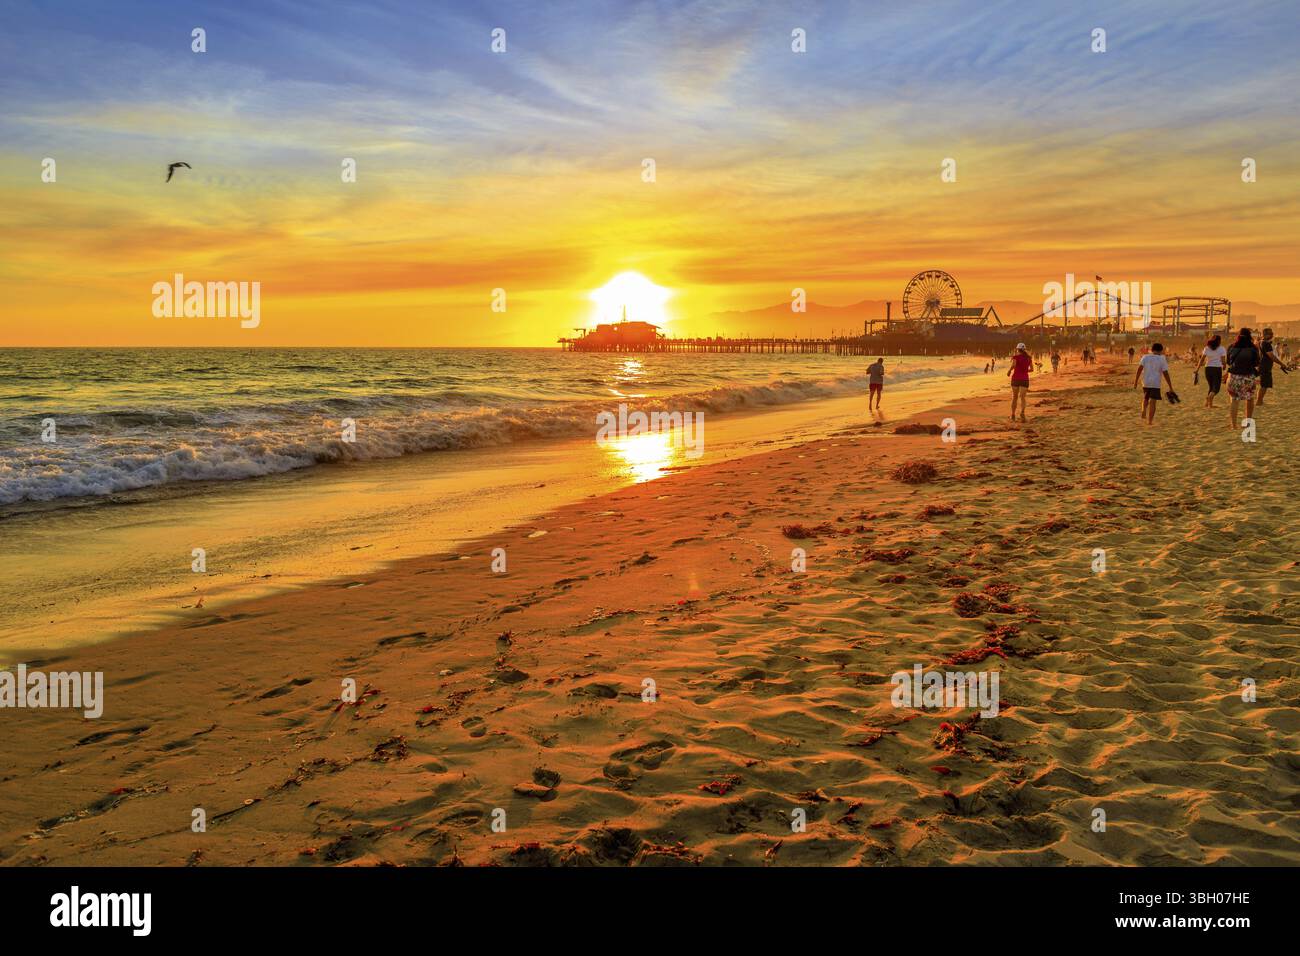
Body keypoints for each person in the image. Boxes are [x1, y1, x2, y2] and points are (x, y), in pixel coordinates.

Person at [1225, 328, 1260, 430]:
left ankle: (1234, 425)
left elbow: (1228, 362)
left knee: (1234, 401)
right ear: (1249, 336)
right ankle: (1248, 423)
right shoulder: (1253, 348)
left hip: (1234, 377)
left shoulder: (1231, 347)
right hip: (1248, 376)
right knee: (1249, 399)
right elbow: (1256, 363)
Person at [1134, 342, 1173, 424]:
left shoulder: (1145, 357)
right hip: (1155, 383)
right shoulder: (1162, 359)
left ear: (1152, 350)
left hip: (1146, 382)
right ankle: (1150, 421)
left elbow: (1139, 369)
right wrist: (1170, 386)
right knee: (1153, 401)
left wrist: (1135, 381)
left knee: (1146, 398)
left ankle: (1144, 410)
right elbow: (1165, 373)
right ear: (1161, 350)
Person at [1256, 328, 1291, 406]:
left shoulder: (1261, 342)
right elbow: (1271, 356)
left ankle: (1260, 401)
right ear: (1264, 334)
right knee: (1264, 385)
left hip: (1264, 365)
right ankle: (1259, 401)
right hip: (1265, 366)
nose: (1272, 335)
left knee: (1264, 384)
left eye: (1271, 333)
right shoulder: (1266, 344)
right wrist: (1281, 364)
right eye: (1270, 333)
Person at [1194, 334, 1227, 408]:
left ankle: (1207, 404)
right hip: (1217, 369)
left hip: (1208, 368)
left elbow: (1201, 359)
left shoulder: (1206, 348)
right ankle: (1209, 401)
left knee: (1211, 387)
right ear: (1219, 341)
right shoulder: (1222, 349)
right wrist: (1224, 366)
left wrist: (1197, 369)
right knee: (1216, 388)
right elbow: (1223, 360)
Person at [1007, 342, 1031, 422]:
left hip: (1016, 379)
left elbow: (1013, 365)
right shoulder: (1029, 358)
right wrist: (1025, 370)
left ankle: (1013, 415)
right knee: (1023, 398)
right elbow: (1032, 369)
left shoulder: (1016, 357)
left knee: (1015, 397)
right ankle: (1022, 412)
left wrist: (1009, 371)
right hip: (1024, 379)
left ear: (1017, 349)